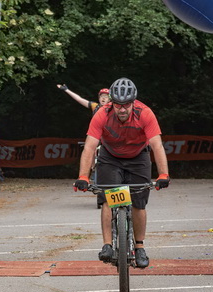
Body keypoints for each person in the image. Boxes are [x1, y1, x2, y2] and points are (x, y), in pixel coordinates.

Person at [73, 77, 170, 268]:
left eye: (126, 105)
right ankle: (107, 245)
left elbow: (157, 146)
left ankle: (139, 247)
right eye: (118, 105)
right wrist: (83, 176)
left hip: (138, 156)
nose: (122, 109)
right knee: (108, 199)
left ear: (133, 102)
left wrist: (163, 174)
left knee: (138, 203)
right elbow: (90, 147)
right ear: (112, 103)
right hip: (110, 157)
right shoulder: (102, 114)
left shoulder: (145, 113)